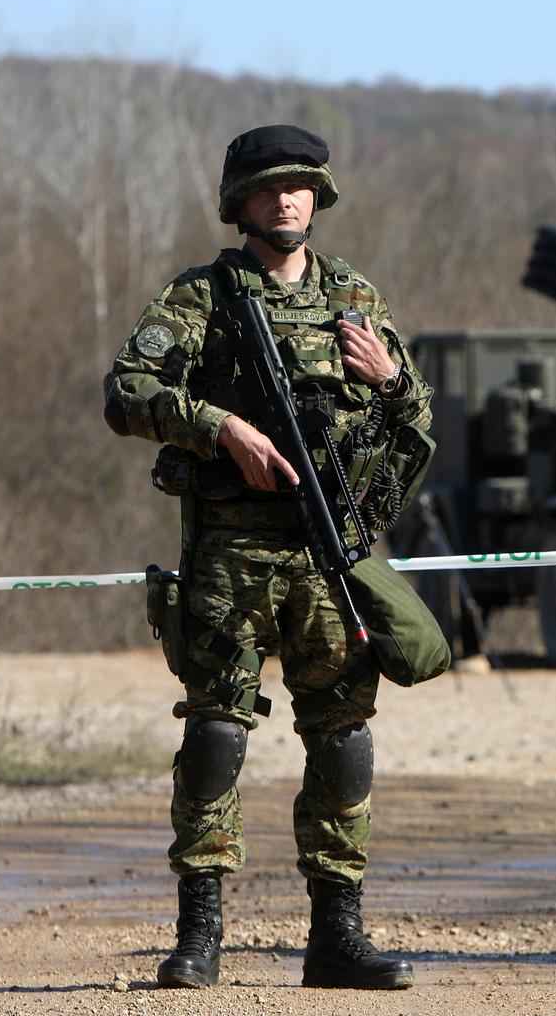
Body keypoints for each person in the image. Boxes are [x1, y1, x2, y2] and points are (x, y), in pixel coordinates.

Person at [104, 125, 433, 990]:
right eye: (270, 187)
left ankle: (337, 936)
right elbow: (126, 391)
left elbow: (417, 423)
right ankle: (200, 934)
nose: (287, 200)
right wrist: (221, 428)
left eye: (301, 187)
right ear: (240, 202)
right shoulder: (203, 296)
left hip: (329, 553)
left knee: (343, 738)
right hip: (232, 548)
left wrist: (393, 383)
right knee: (216, 732)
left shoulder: (355, 297)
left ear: (317, 198)